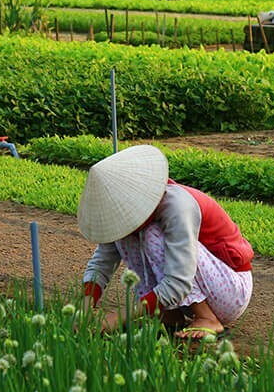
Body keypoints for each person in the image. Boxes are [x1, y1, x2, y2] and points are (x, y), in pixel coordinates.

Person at [78, 145, 253, 340]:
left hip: (230, 290)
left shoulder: (178, 206)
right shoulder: (126, 221)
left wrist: (118, 318)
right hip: (189, 292)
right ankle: (169, 315)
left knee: (152, 236)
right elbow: (102, 262)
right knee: (124, 236)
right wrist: (85, 308)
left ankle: (207, 318)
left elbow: (179, 280)